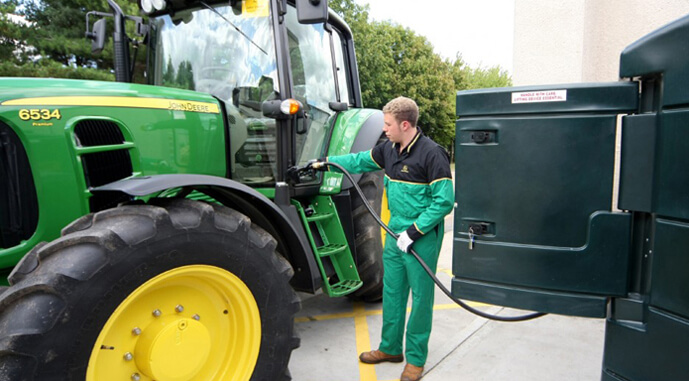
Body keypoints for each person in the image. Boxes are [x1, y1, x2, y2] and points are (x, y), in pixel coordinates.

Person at [319, 96, 454, 381]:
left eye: (388, 124)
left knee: (420, 299)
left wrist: (414, 232)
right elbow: (359, 159)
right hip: (394, 233)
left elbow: (443, 202)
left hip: (421, 236)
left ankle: (416, 360)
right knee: (392, 293)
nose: (385, 128)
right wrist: (328, 161)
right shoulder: (389, 150)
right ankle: (390, 348)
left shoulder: (432, 154)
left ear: (405, 124)